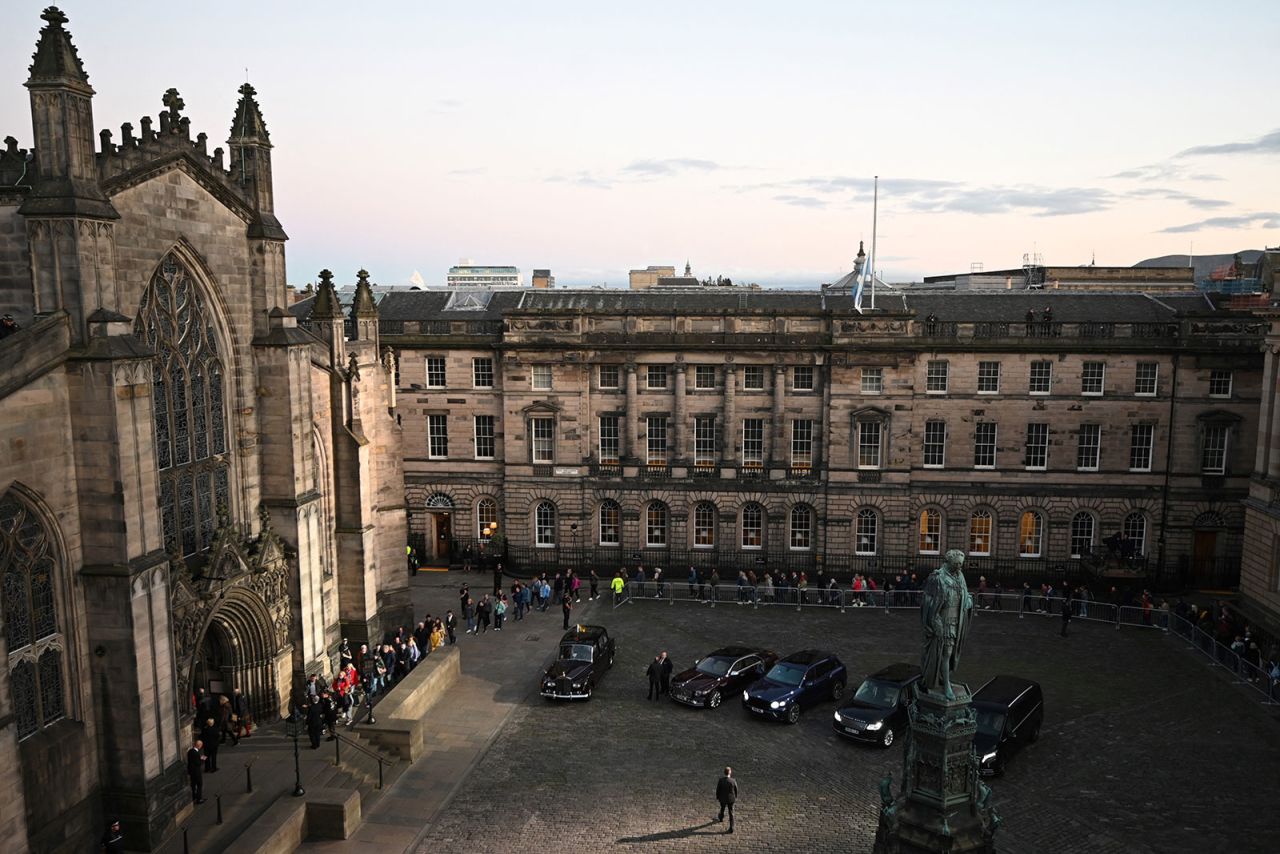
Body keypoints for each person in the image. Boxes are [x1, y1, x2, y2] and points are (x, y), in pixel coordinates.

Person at [715, 766, 738, 832]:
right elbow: (736, 789)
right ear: (730, 773)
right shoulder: (733, 781)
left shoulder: (721, 780)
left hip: (722, 798)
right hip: (731, 799)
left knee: (722, 808)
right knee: (731, 812)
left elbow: (718, 789)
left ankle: (721, 818)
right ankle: (731, 827)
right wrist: (735, 796)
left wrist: (717, 796)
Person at [187, 739, 206, 804]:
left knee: (193, 785)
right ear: (199, 746)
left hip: (191, 772)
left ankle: (194, 797)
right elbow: (198, 763)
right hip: (196, 772)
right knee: (199, 785)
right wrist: (203, 759)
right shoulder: (196, 753)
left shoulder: (190, 751)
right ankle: (199, 799)